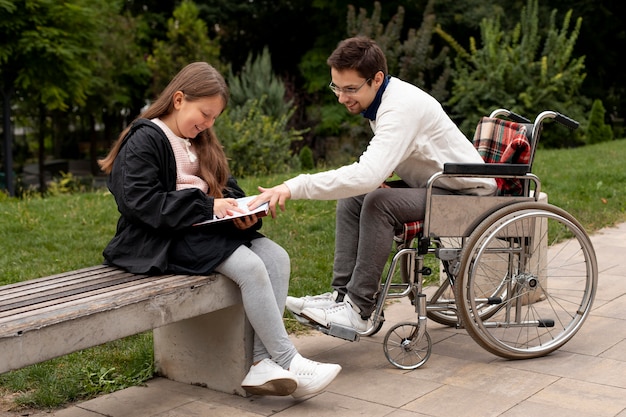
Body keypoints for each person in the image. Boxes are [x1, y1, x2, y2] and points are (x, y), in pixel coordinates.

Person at [98, 62, 341, 398]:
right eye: (205, 114)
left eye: (214, 118)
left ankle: (260, 364)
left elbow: (225, 187)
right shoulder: (146, 138)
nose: (209, 124)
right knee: (251, 267)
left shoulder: (198, 138)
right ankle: (287, 358)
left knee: (277, 257)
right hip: (159, 237)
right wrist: (208, 207)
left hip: (201, 229)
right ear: (179, 99)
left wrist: (244, 212)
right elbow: (139, 202)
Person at [249, 37, 497, 333]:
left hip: (466, 194)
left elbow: (367, 174)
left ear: (377, 79)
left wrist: (294, 186)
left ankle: (359, 308)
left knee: (379, 202)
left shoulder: (400, 107)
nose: (341, 98)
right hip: (437, 183)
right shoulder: (386, 99)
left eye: (350, 89)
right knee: (356, 197)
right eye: (336, 87)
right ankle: (341, 296)